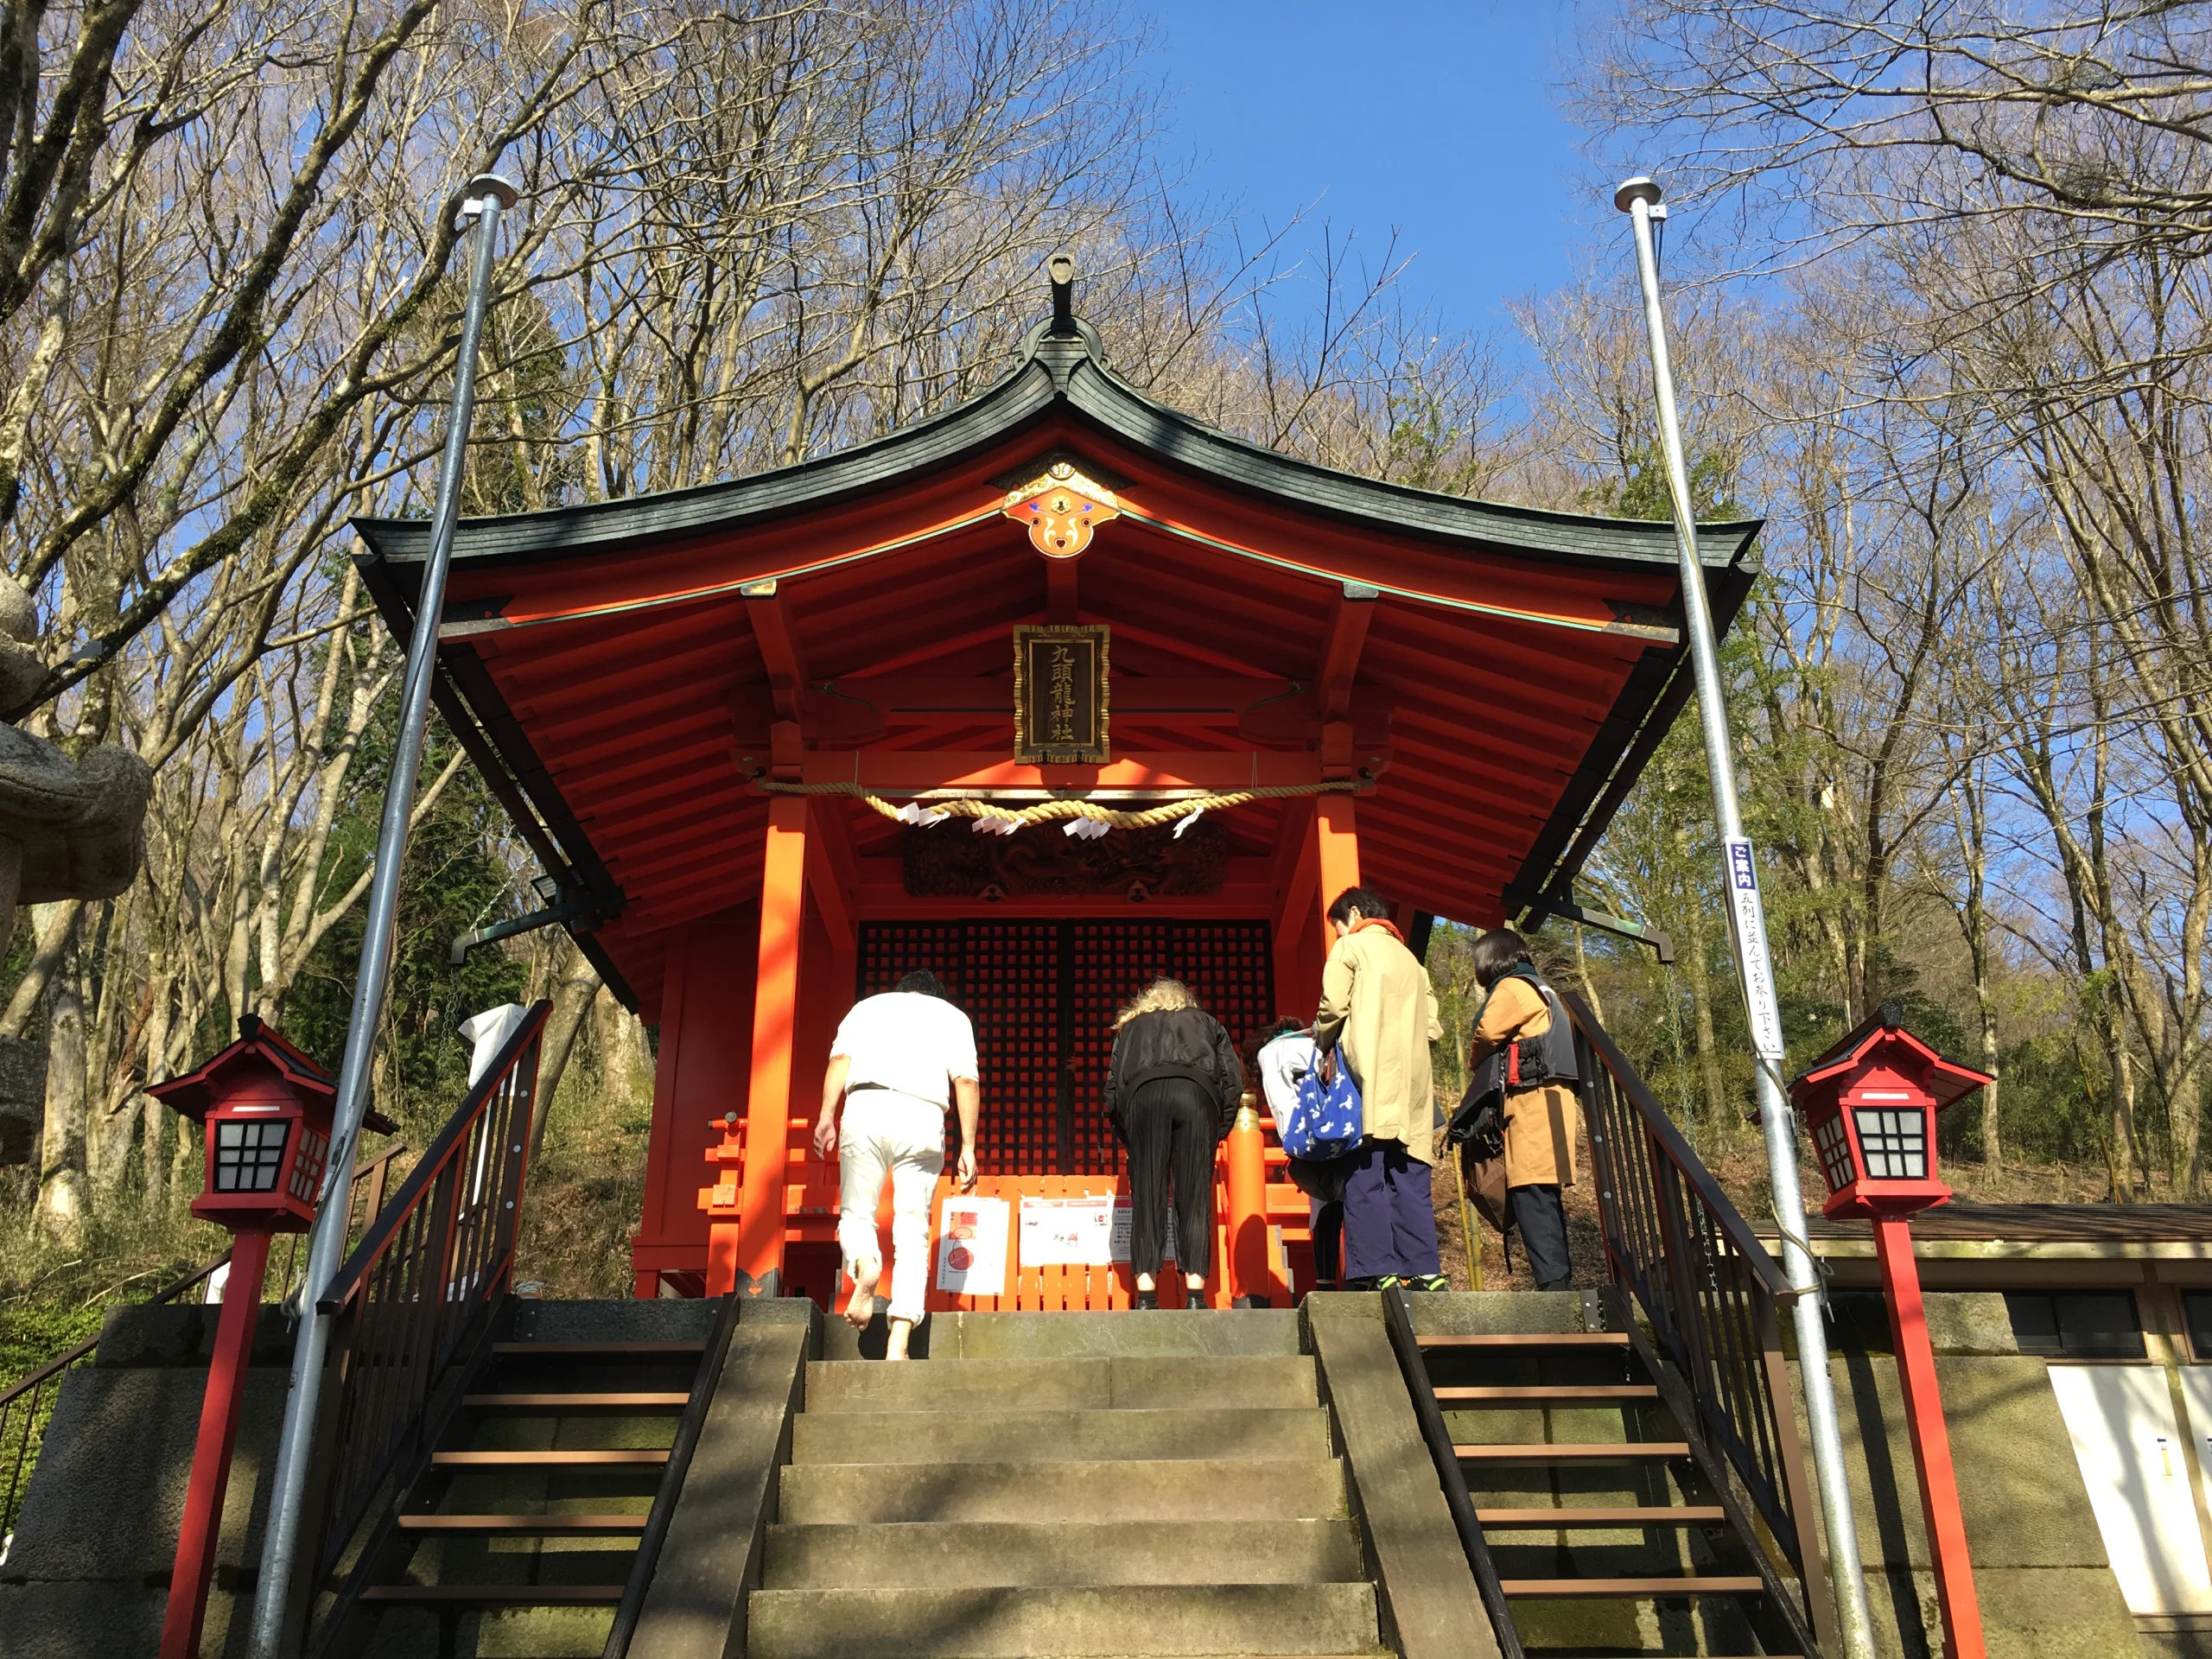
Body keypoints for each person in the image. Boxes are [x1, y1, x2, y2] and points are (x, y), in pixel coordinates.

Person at [813, 969, 979, 1359]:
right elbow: (966, 1082)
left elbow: (840, 1060)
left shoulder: (866, 1008)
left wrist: (825, 1115)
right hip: (922, 1113)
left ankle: (866, 1263)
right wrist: (968, 1146)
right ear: (935, 995)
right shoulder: (953, 1017)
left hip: (866, 1105)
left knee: (857, 1214)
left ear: (903, 991)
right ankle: (899, 1342)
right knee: (913, 1232)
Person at [1313, 887, 1447, 1292]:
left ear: (1353, 914)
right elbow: (1433, 1026)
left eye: (1338, 926)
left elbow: (1333, 1007)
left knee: (1364, 1175)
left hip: (1366, 1078)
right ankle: (1425, 1270)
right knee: (1409, 1174)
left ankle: (1377, 1270)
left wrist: (1320, 1042)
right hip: (1412, 1083)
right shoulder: (1412, 960)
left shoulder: (1351, 948)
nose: (1339, 934)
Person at [1103, 977, 1243, 1308]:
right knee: (1194, 1196)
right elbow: (1231, 1079)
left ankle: (1147, 1297)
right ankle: (1195, 1296)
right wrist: (1217, 1129)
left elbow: (1113, 1087)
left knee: (1148, 1197)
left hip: (1143, 1096)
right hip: (1197, 1096)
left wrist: (1130, 1132)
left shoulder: (1131, 1029)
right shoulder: (1209, 1024)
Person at [1465, 928, 1580, 1292]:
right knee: (1544, 1193)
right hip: (1553, 1098)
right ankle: (1557, 1280)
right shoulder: (1542, 987)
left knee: (1530, 1191)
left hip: (1532, 1100)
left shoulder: (1512, 988)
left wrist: (1476, 1064)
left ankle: (1554, 1287)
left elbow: (1486, 1032)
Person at [1254, 1017, 1351, 1294]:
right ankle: (1360, 1276)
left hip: (1308, 1141)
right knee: (1354, 1202)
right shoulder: (1317, 1044)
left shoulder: (1273, 1053)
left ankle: (1325, 1281)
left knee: (1324, 1207)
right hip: (1342, 1124)